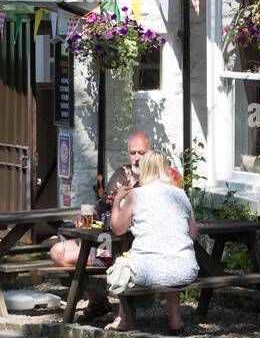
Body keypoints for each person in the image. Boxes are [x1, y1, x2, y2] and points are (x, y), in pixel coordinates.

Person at [50, 131, 180, 322]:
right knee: (58, 252)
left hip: (140, 250)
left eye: (141, 153)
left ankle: (124, 312)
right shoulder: (121, 173)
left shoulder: (159, 180)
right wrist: (90, 214)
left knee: (110, 258)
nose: (136, 158)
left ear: (150, 152)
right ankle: (98, 301)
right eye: (132, 153)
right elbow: (102, 203)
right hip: (107, 246)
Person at [105, 150, 199, 334]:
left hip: (147, 272)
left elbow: (117, 228)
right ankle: (175, 321)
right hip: (185, 270)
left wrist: (117, 200)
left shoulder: (136, 195)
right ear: (166, 169)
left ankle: (124, 321)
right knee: (171, 255)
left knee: (124, 261)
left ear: (144, 169)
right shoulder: (181, 195)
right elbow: (193, 234)